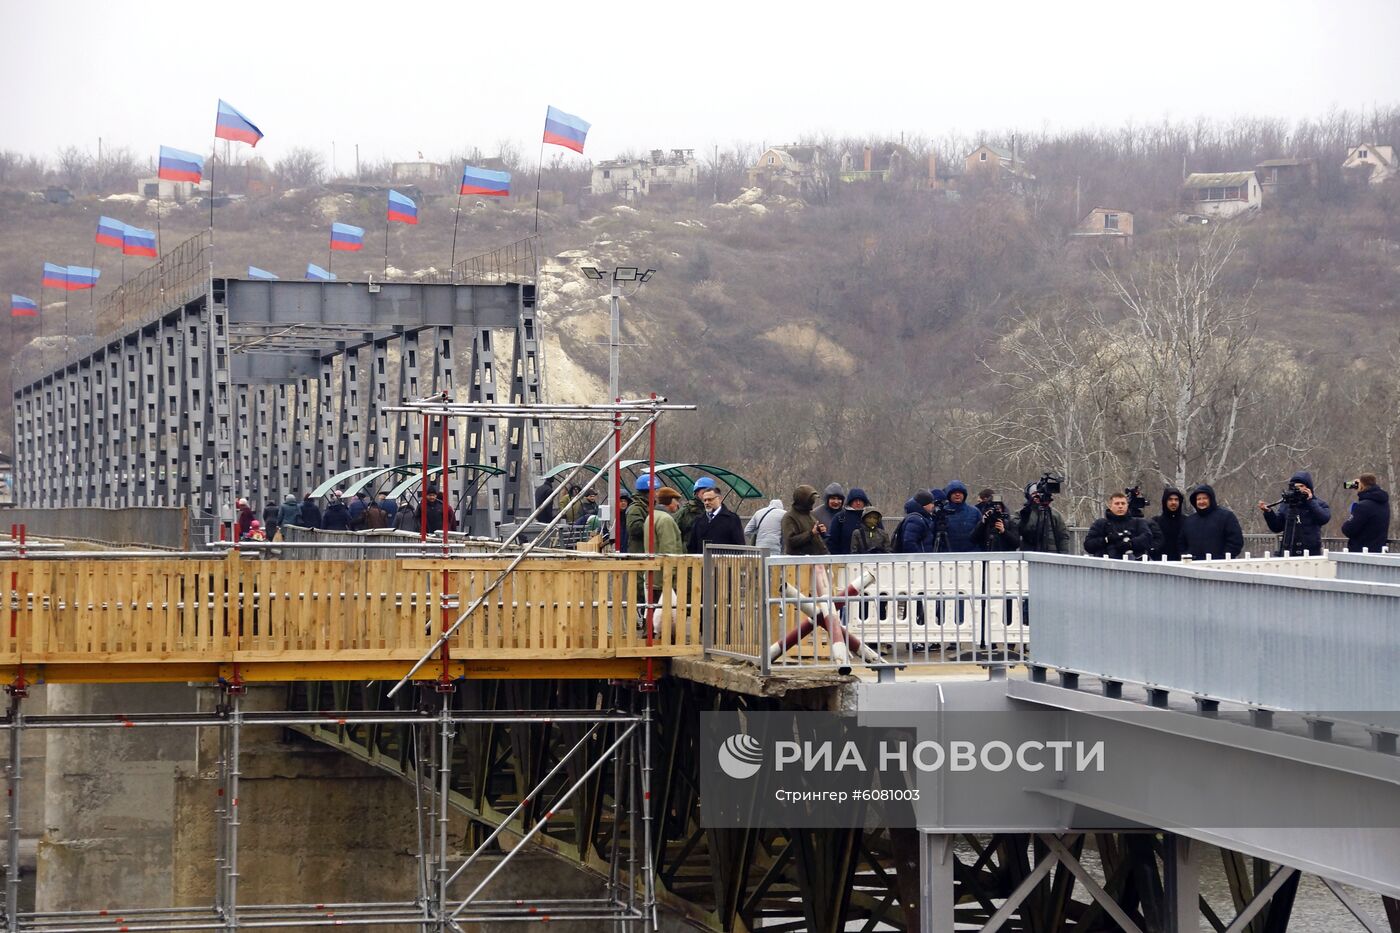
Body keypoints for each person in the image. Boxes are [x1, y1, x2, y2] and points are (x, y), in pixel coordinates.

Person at [1257, 471, 1330, 557]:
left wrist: (1310, 501)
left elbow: (1324, 518)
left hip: (1311, 552)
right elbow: (1277, 527)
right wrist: (1269, 513)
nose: (1298, 489)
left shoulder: (1318, 503)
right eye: (1295, 487)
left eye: (1301, 486)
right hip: (1289, 551)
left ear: (1308, 487)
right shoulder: (1287, 504)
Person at [1084, 492, 1156, 559]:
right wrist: (1106, 540)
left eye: (1123, 503)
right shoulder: (1100, 523)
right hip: (1106, 566)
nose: (1120, 506)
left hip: (1134, 565)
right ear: (1110, 506)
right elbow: (1088, 545)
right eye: (1117, 503)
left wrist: (1130, 544)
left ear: (1127, 505)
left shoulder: (1138, 522)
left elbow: (1148, 538)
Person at [1182, 484, 1243, 559]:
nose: (1201, 501)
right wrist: (1188, 557)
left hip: (1219, 566)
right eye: (1199, 499)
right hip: (1194, 565)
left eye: (1205, 498)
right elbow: (1181, 543)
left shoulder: (1226, 517)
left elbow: (1236, 541)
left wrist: (1222, 559)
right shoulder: (1189, 521)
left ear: (1211, 499)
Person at [688, 481, 746, 552]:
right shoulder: (698, 520)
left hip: (724, 561)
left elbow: (739, 546)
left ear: (720, 499)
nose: (707, 503)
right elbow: (692, 546)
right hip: (702, 561)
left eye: (710, 499)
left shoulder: (732, 519)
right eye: (705, 500)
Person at [1341, 473, 1391, 553]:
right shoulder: (1384, 504)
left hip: (1361, 553)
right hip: (1379, 551)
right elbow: (1345, 485)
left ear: (1362, 485)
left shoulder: (1363, 506)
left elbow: (1348, 529)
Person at [1017, 485, 1069, 554]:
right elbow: (1022, 531)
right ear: (1028, 496)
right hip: (1031, 555)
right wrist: (1032, 508)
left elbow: (1063, 536)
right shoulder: (1022, 513)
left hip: (1052, 555)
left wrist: (1063, 555)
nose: (1038, 496)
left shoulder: (1055, 515)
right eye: (1034, 494)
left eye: (1041, 493)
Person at [781, 485, 829, 556]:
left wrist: (820, 531)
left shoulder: (809, 515)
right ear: (804, 500)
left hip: (817, 559)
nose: (813, 502)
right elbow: (790, 541)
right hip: (800, 562)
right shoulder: (789, 517)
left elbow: (814, 536)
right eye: (811, 500)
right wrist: (811, 533)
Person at [824, 487, 870, 555]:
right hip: (845, 560)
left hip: (870, 561)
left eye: (860, 500)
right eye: (855, 500)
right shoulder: (840, 518)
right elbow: (832, 542)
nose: (858, 503)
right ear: (850, 502)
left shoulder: (872, 516)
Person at [941, 481, 982, 551]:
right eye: (954, 493)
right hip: (948, 556)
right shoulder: (942, 512)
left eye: (960, 492)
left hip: (972, 555)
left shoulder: (975, 512)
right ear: (949, 495)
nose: (957, 494)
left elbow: (981, 533)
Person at [1151, 486, 1187, 561]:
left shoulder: (1187, 521)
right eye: (1170, 499)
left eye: (1176, 500)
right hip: (1161, 564)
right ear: (1165, 502)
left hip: (1182, 565)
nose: (1173, 502)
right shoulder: (1155, 522)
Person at [626, 474, 653, 553]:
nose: (656, 493)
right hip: (639, 553)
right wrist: (655, 527)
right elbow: (635, 529)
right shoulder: (635, 508)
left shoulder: (647, 506)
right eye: (655, 490)